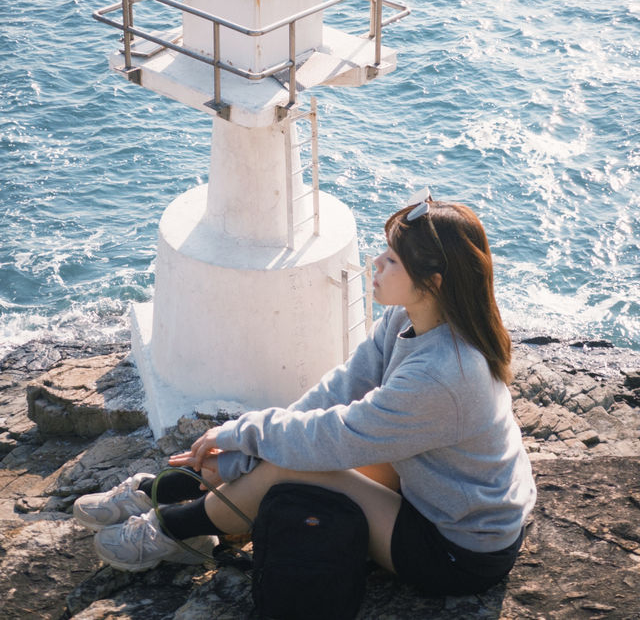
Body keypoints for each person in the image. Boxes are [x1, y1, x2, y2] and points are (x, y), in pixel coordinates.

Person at [73, 194, 536, 597]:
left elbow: (337, 435)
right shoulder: (409, 319)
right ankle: (166, 491)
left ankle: (177, 529)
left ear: (433, 281)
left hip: (457, 548)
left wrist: (245, 434)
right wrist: (239, 448)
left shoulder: (444, 375)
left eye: (393, 260)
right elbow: (338, 391)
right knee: (289, 447)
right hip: (436, 491)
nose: (376, 262)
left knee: (293, 468)